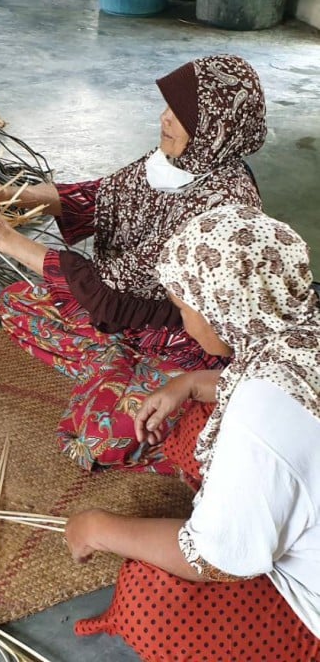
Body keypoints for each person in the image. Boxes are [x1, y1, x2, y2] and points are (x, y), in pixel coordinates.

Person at [0, 54, 267, 473]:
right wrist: (9, 195)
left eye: (179, 114)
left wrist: (0, 236)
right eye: (168, 107)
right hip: (125, 318)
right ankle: (112, 365)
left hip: (185, 346)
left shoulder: (220, 208)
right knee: (16, 304)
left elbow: (103, 290)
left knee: (100, 437)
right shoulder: (180, 161)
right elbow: (101, 196)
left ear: (215, 127)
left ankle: (141, 385)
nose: (164, 119)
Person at [63, 205, 320, 661]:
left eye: (185, 308)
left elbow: (213, 559)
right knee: (197, 417)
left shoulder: (259, 416)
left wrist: (96, 528)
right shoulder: (302, 327)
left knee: (152, 602)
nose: (184, 322)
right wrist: (192, 383)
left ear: (224, 310)